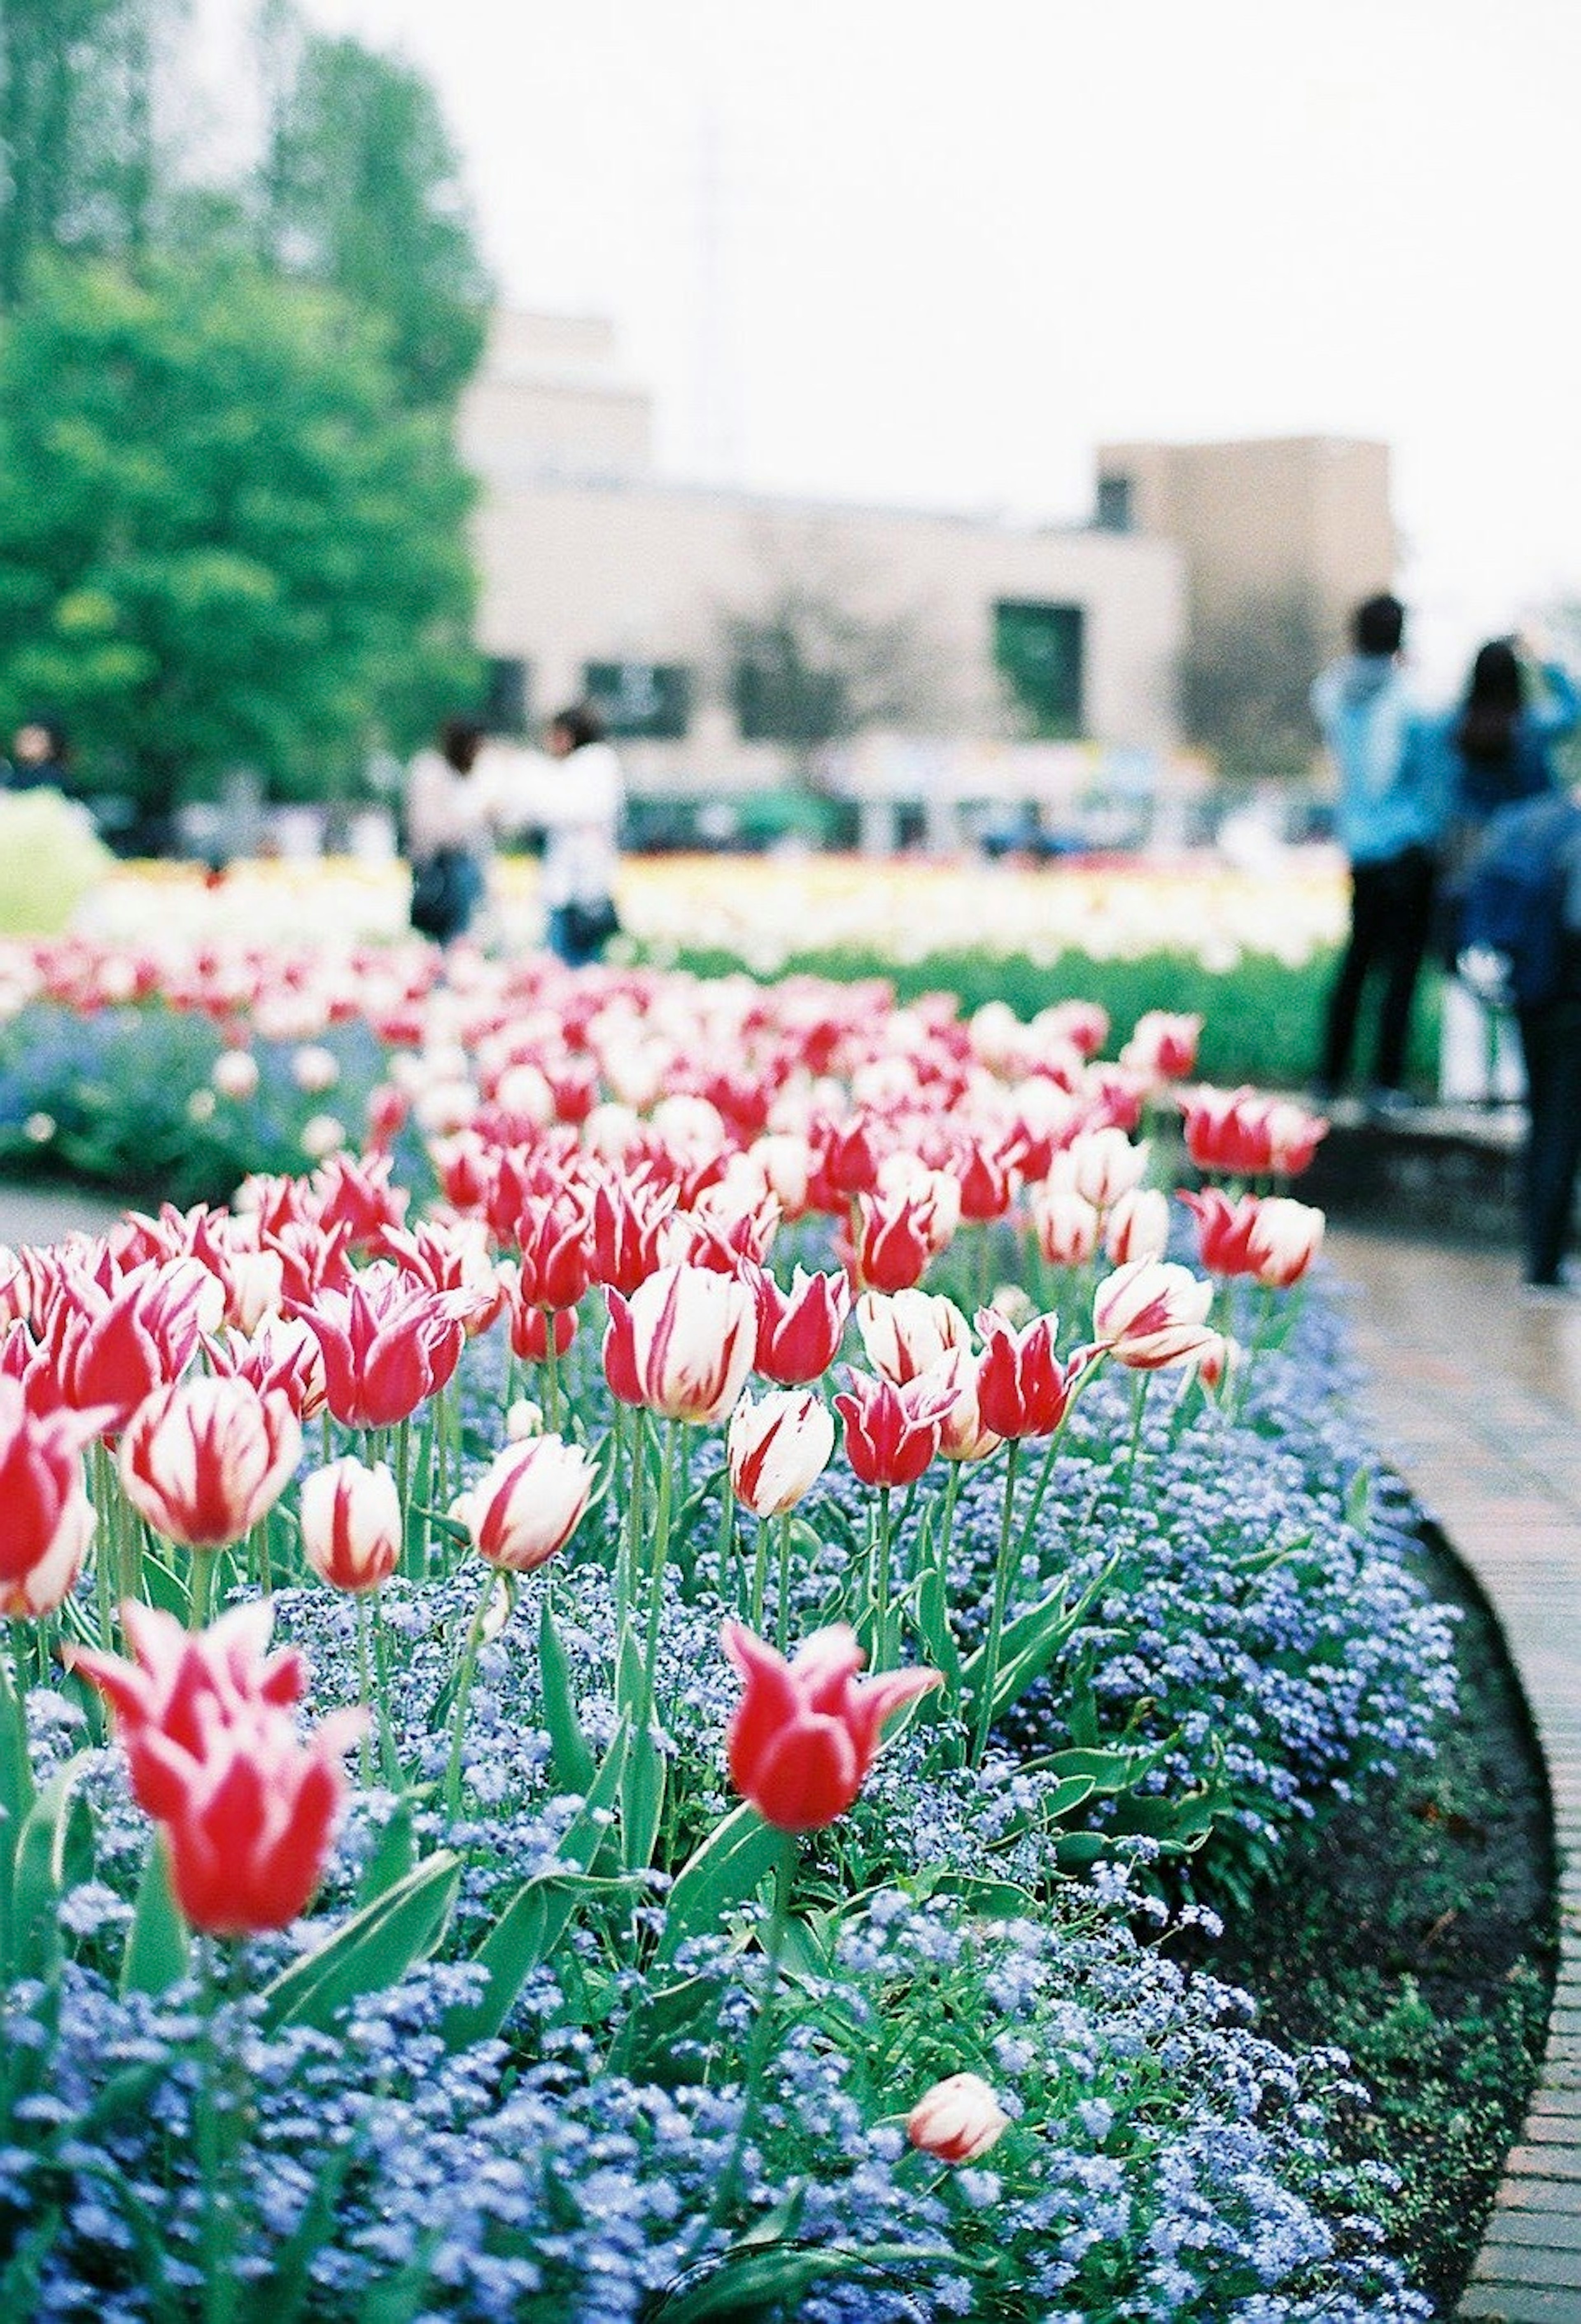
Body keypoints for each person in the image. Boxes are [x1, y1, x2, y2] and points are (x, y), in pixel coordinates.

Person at [1418, 634, 1580, 1105]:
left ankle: (1463, 1081)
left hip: (1465, 859)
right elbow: (1571, 709)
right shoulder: (1530, 726)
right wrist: (1546, 658)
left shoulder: (1454, 727)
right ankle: (1515, 1080)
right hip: (1527, 860)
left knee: (1464, 972)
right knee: (1523, 967)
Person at [1311, 593, 1441, 1111]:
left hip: (1362, 846)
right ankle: (1384, 1083)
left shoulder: (1332, 691)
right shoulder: (1410, 698)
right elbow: (1426, 779)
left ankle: (1330, 1076)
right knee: (1402, 971)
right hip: (1407, 847)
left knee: (1358, 962)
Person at [1457, 785, 1581, 1293]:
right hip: (1574, 996)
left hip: (1532, 994)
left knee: (1546, 1121)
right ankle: (1545, 1266)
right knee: (1562, 1130)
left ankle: (1541, 1259)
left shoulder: (1526, 820)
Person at [538, 702, 625, 966]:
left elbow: (555, 810)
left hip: (577, 883)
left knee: (568, 962)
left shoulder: (588, 764)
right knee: (582, 960)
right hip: (583, 881)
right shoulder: (602, 762)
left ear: (568, 735)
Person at [403, 717, 492, 945]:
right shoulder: (432, 771)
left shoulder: (470, 774)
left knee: (466, 934)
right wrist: (473, 820)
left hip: (469, 865)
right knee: (451, 935)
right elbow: (425, 825)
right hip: (444, 867)